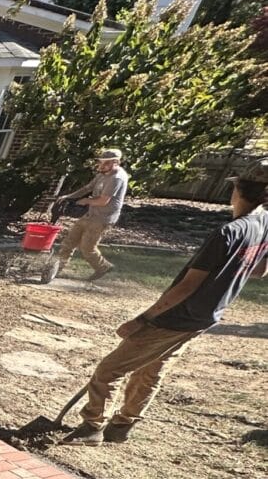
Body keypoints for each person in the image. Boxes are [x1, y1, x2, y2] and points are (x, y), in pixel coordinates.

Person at [69, 159, 268, 445]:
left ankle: (92, 427)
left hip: (177, 317)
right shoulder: (264, 224)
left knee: (109, 370)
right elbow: (261, 270)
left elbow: (187, 287)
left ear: (238, 191)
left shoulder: (228, 232)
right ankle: (121, 426)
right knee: (151, 370)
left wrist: (142, 319)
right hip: (206, 317)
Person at [45, 148, 130, 283]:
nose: (101, 166)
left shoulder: (117, 178)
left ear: (116, 162)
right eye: (101, 162)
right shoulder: (102, 174)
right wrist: (69, 197)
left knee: (87, 248)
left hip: (103, 217)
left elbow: (103, 201)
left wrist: (85, 201)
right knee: (69, 241)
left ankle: (103, 267)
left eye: (105, 163)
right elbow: (87, 188)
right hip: (91, 213)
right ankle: (56, 269)